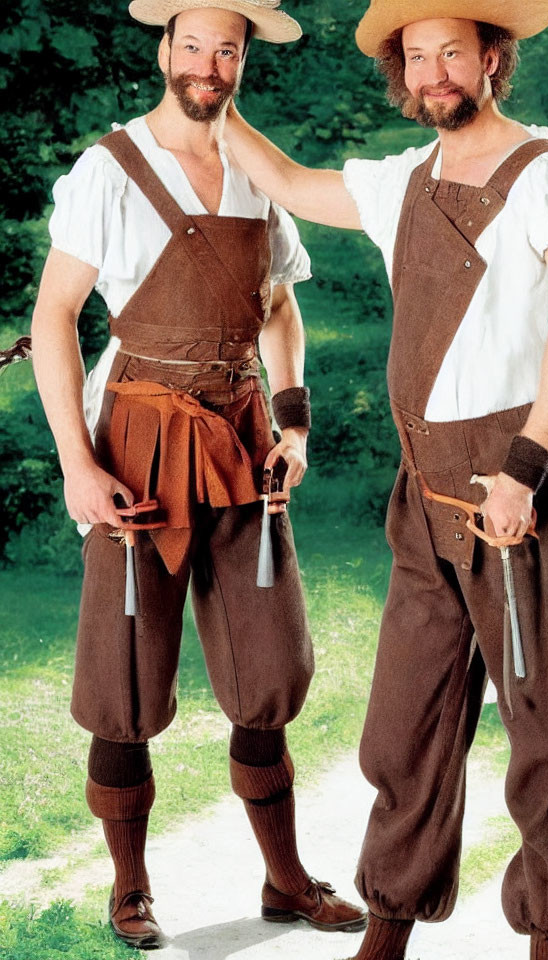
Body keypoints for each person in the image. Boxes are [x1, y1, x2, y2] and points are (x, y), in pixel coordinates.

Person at [221, 1, 548, 958]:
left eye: (453, 52)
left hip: (522, 488)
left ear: (493, 58)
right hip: (427, 489)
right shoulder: (404, 179)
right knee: (405, 725)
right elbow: (282, 177)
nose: (434, 71)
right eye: (417, 57)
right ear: (402, 74)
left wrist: (525, 470)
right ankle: (390, 927)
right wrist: (217, 95)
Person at [30, 0, 366, 949]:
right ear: (163, 48)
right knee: (124, 676)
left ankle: (285, 878)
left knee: (268, 671)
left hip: (245, 440)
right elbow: (55, 317)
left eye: (229, 47)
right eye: (194, 44)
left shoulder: (261, 173)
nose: (209, 63)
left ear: (243, 59)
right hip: (137, 441)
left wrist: (292, 423)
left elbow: (280, 310)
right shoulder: (109, 168)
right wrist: (76, 464)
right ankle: (129, 887)